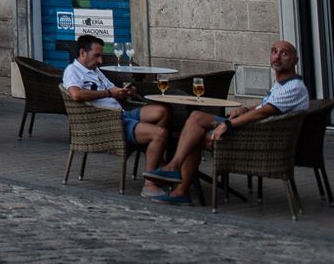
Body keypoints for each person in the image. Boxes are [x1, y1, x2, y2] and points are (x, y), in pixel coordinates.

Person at [144, 40, 310, 205]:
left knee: (194, 130)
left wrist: (228, 124)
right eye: (274, 51)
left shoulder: (293, 87)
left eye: (284, 53)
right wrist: (244, 109)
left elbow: (263, 112)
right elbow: (263, 106)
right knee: (195, 122)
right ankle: (176, 178)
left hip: (262, 141)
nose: (277, 57)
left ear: (295, 61)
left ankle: (176, 177)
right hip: (257, 131)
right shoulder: (281, 84)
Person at [61, 34, 170, 197]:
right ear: (83, 53)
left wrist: (124, 92)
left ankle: (155, 161)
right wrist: (108, 93)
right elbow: (76, 94)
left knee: (162, 111)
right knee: (159, 134)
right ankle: (150, 183)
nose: (100, 61)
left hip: (121, 114)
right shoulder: (73, 71)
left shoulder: (95, 70)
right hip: (106, 122)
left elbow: (112, 91)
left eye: (101, 56)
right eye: (96, 56)